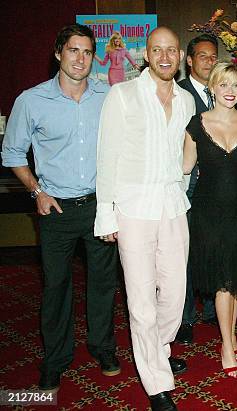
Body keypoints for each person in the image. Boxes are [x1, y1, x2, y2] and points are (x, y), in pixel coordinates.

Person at [1, 24, 120, 394]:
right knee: (56, 287)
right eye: (73, 51)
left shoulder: (109, 95)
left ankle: (102, 347)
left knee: (103, 285)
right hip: (55, 209)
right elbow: (12, 154)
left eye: (87, 52)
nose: (80, 59)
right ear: (58, 53)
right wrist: (36, 190)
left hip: (99, 206)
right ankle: (55, 359)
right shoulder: (31, 100)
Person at [94, 27, 195, 410]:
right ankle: (155, 383)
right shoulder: (121, 95)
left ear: (180, 54)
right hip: (132, 209)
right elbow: (107, 158)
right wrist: (106, 215)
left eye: (171, 50)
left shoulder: (186, 101)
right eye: (158, 50)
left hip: (173, 206)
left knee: (174, 294)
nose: (165, 57)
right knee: (140, 301)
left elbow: (183, 155)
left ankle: (159, 348)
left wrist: (183, 188)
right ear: (147, 54)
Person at [183, 62, 237, 377]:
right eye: (224, 85)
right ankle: (227, 345)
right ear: (213, 88)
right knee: (222, 278)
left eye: (236, 86)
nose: (230, 91)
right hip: (209, 210)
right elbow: (184, 167)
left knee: (236, 278)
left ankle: (229, 336)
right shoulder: (196, 124)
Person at [175, 33, 219, 345]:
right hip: (188, 185)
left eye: (213, 56)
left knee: (215, 247)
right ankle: (185, 317)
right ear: (189, 60)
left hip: (219, 186)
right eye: (202, 56)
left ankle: (215, 311)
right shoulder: (177, 94)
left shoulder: (225, 91)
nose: (209, 61)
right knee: (184, 253)